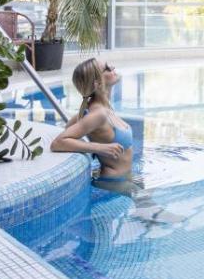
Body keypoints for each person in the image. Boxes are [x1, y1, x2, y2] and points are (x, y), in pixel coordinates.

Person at [50, 58, 176, 220]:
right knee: (171, 220)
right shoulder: (99, 114)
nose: (113, 68)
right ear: (97, 83)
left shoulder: (102, 107)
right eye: (107, 68)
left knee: (151, 209)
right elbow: (58, 142)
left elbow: (71, 125)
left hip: (124, 177)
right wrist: (99, 148)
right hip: (113, 181)